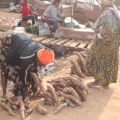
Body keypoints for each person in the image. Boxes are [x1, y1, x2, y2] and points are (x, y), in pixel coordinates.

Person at [0, 32, 54, 101]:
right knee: (4, 68)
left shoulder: (43, 50)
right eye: (41, 64)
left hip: (21, 42)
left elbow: (35, 66)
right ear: (37, 59)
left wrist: (38, 77)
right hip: (8, 40)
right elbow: (23, 72)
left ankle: (29, 88)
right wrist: (25, 88)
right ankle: (4, 95)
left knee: (29, 73)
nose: (42, 66)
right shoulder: (28, 56)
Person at [85, 1, 120, 89]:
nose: (100, 5)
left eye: (101, 3)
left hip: (105, 44)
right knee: (108, 62)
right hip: (114, 44)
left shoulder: (107, 13)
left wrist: (97, 30)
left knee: (97, 60)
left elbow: (108, 32)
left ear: (105, 3)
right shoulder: (114, 11)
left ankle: (97, 81)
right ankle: (105, 83)